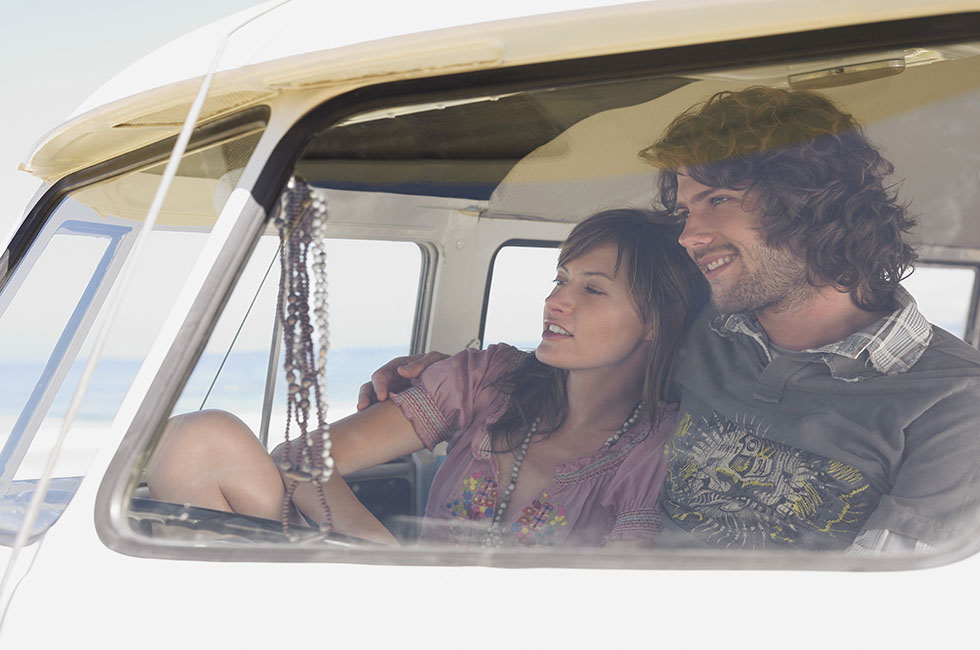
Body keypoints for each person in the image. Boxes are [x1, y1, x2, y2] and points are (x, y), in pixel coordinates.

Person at [361, 86, 980, 555]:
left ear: (815, 206)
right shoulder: (703, 328)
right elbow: (592, 350)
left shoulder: (954, 402)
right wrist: (449, 376)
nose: (690, 235)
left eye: (717, 200)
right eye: (685, 208)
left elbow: (884, 607)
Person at [146, 209, 707, 548]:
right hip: (387, 598)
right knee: (196, 440)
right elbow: (300, 461)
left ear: (656, 321)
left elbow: (616, 608)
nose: (555, 301)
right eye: (559, 280)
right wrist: (386, 561)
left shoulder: (658, 452)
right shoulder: (489, 380)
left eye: (592, 288)